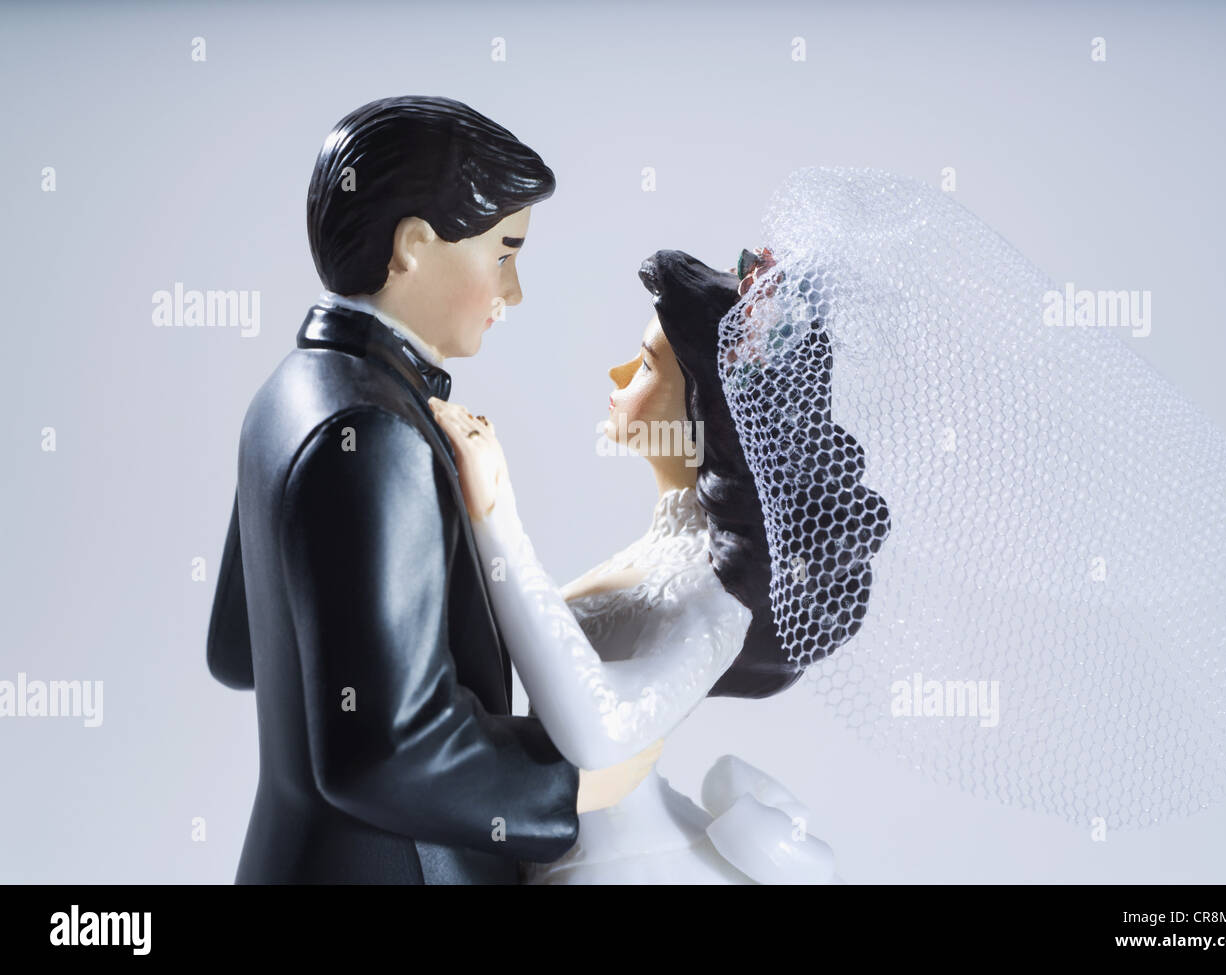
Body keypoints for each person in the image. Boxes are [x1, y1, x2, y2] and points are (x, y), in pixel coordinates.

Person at [206, 95, 659, 885]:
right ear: (413, 245)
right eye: (504, 253)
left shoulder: (284, 392)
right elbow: (386, 750)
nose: (513, 293)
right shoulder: (372, 433)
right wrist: (575, 782)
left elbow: (240, 648)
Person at [429, 247, 890, 883]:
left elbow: (603, 732)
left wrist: (497, 520)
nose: (617, 373)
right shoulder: (663, 547)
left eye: (645, 365)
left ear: (702, 409)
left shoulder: (716, 590)